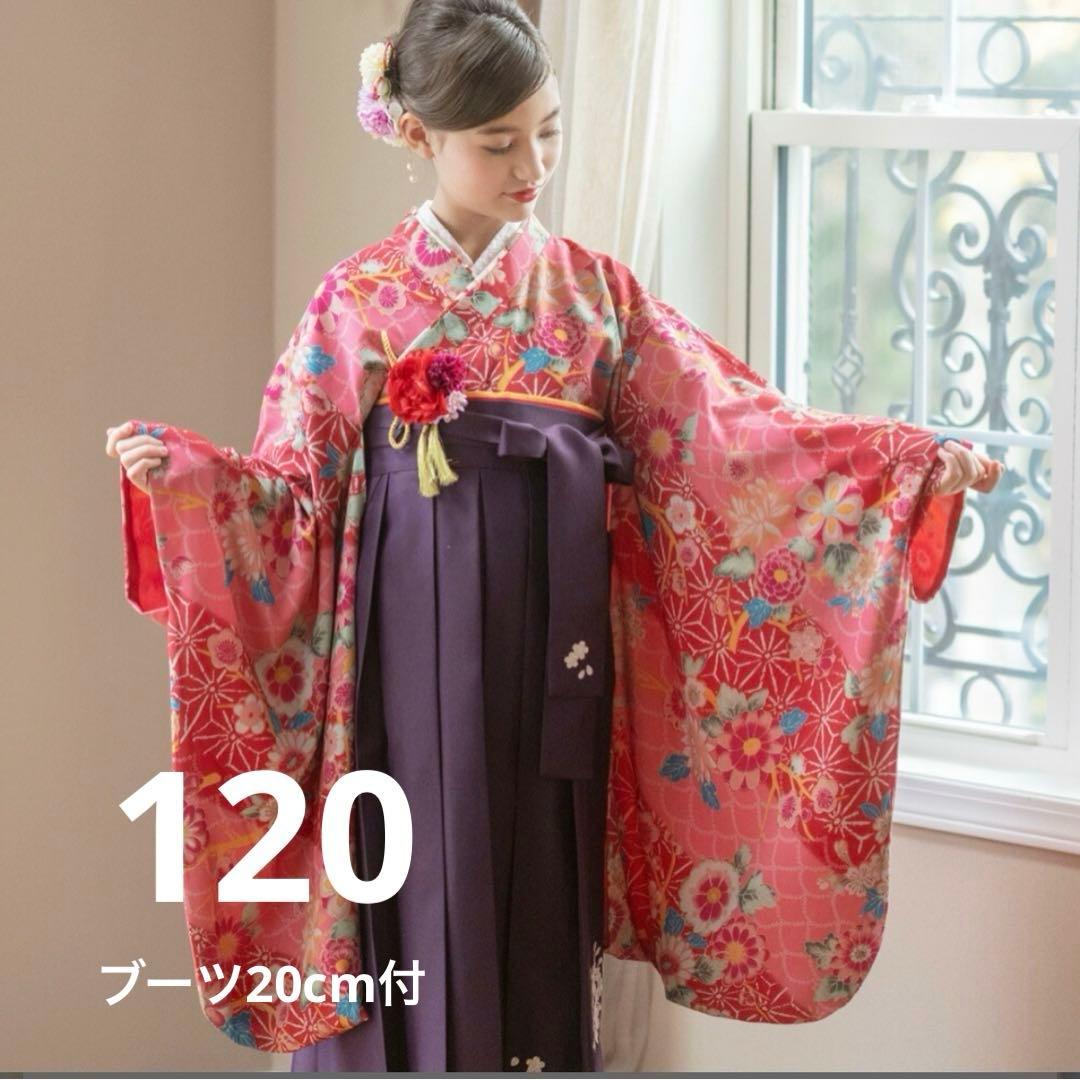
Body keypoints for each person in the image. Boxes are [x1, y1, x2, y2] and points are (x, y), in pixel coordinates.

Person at [105, 0, 1003, 1072]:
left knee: (540, 879)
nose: (531, 165)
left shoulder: (594, 295)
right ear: (417, 133)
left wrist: (897, 463)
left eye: (549, 132)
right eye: (498, 143)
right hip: (400, 663)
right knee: (408, 867)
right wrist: (188, 479)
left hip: (557, 645)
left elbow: (730, 435)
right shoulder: (360, 299)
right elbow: (293, 496)